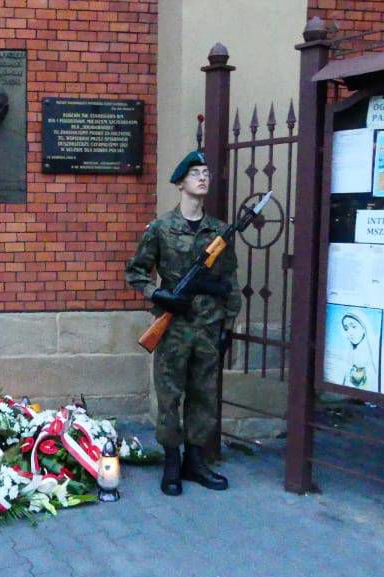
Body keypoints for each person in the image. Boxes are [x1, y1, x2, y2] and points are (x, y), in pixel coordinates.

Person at [125, 150, 242, 496]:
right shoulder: (160, 229)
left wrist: (228, 327)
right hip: (173, 329)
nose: (203, 178)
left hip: (208, 327)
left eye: (206, 172)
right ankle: (172, 462)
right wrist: (158, 295)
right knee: (170, 396)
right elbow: (134, 271)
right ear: (180, 183)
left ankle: (195, 461)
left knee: (204, 396)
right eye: (195, 173)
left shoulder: (219, 231)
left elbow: (230, 283)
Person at [340, 313, 378, 390]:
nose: (349, 333)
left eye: (354, 326)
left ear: (364, 328)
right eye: (346, 328)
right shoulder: (350, 353)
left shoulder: (375, 355)